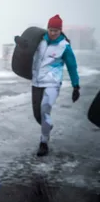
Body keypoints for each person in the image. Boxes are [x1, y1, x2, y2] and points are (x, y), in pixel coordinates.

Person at [15, 14, 80, 157]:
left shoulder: (64, 47)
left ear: (60, 30)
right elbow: (27, 50)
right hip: (37, 82)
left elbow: (72, 67)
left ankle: (43, 142)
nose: (52, 33)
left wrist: (76, 86)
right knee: (38, 115)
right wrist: (20, 44)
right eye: (50, 29)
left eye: (55, 30)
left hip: (52, 83)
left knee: (45, 110)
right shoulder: (40, 40)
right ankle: (47, 126)